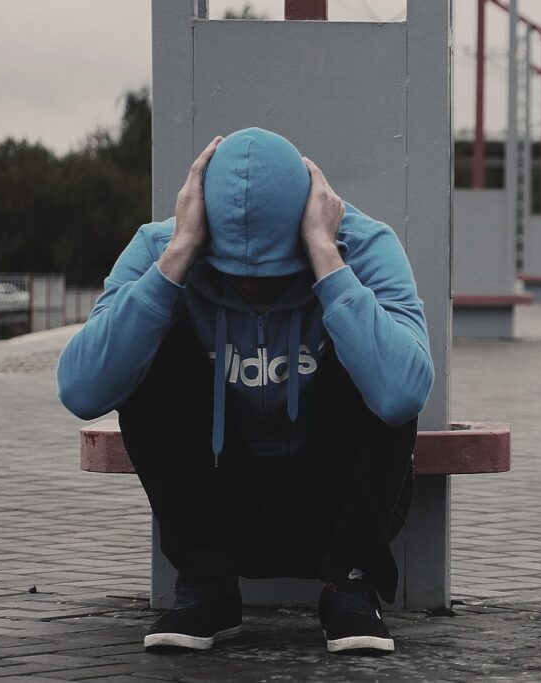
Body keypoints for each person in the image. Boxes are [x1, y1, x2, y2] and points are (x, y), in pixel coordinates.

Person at [57, 127, 434, 655]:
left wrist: (326, 259)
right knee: (143, 343)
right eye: (234, 275)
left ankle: (351, 586)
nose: (254, 288)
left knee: (373, 349)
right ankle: (206, 586)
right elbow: (80, 389)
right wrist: (178, 257)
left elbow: (402, 395)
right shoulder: (159, 247)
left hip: (335, 510)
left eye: (275, 274)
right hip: (219, 510)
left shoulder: (364, 245)